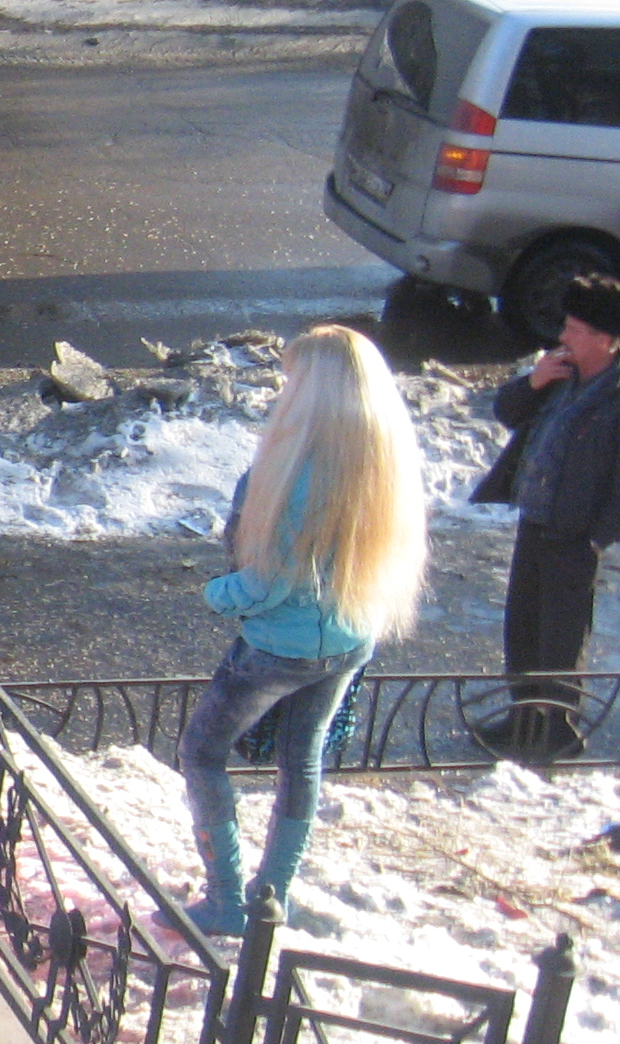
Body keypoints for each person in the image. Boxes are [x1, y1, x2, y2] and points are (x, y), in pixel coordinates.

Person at [179, 326, 427, 933]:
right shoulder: (383, 459)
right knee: (302, 759)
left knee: (202, 752)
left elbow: (268, 584)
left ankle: (227, 899)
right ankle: (273, 895)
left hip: (274, 651)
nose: (284, 390)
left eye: (292, 379)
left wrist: (217, 594)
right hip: (349, 639)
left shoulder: (293, 469)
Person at [473, 273, 620, 762]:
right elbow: (508, 412)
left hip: (576, 538)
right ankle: (522, 722)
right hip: (536, 524)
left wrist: (597, 538)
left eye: (574, 328)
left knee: (560, 638)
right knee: (522, 629)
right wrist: (532, 381)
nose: (563, 337)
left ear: (605, 338)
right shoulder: (561, 375)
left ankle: (557, 733)